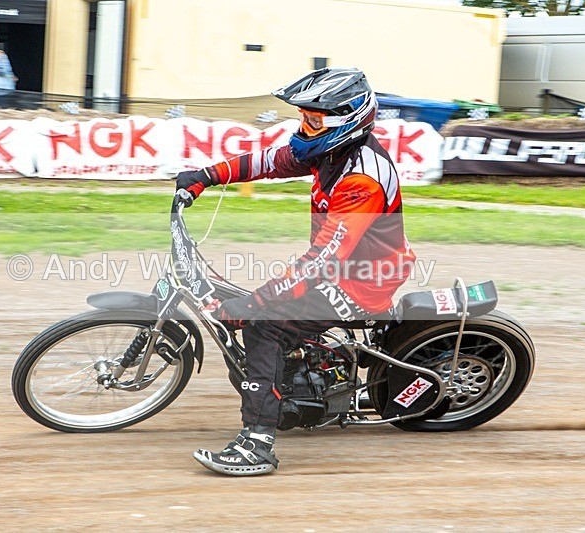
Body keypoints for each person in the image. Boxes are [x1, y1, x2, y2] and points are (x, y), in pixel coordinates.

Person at [175, 67, 417, 476]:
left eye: (314, 120)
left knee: (261, 323)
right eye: (304, 118)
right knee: (260, 302)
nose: (305, 128)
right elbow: (270, 160)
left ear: (347, 119)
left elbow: (322, 262)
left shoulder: (361, 178)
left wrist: (255, 304)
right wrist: (206, 176)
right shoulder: (331, 152)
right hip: (343, 266)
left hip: (361, 280)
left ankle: (257, 445)